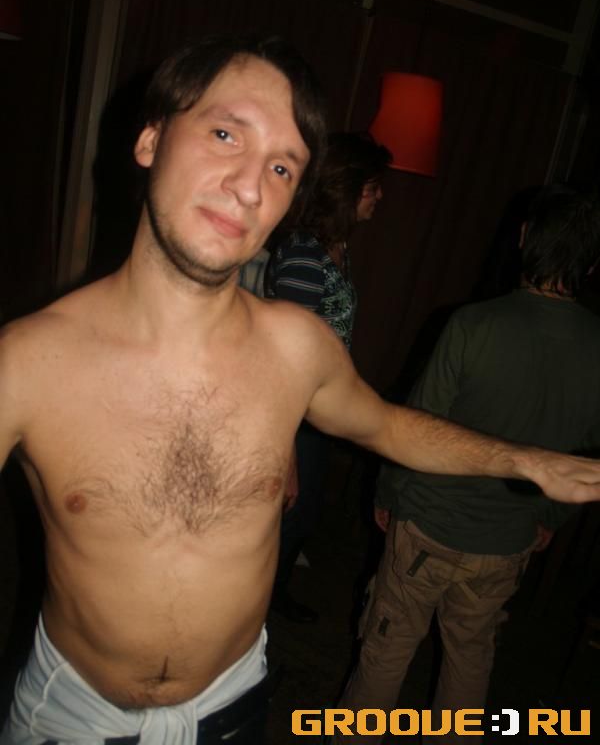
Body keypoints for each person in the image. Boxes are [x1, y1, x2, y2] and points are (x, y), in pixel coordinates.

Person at [0, 37, 600, 745]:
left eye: (281, 167)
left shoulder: (296, 346)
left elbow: (386, 426)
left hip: (233, 705)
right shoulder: (27, 362)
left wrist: (526, 460)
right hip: (74, 720)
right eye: (226, 134)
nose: (250, 186)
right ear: (150, 140)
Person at [332, 184, 600, 745]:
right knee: (470, 661)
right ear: (593, 261)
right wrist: (551, 515)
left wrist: (387, 495)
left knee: (386, 649)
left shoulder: (474, 324)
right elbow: (590, 454)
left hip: (429, 525)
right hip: (508, 541)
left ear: (525, 238)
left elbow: (415, 422)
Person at [267, 132, 391, 623]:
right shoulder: (304, 253)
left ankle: (270, 601)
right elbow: (283, 363)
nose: (379, 197)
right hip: (293, 414)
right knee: (287, 517)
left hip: (316, 412)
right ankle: (250, 615)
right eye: (372, 187)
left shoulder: (334, 247)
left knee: (304, 515)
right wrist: (286, 455)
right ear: (347, 188)